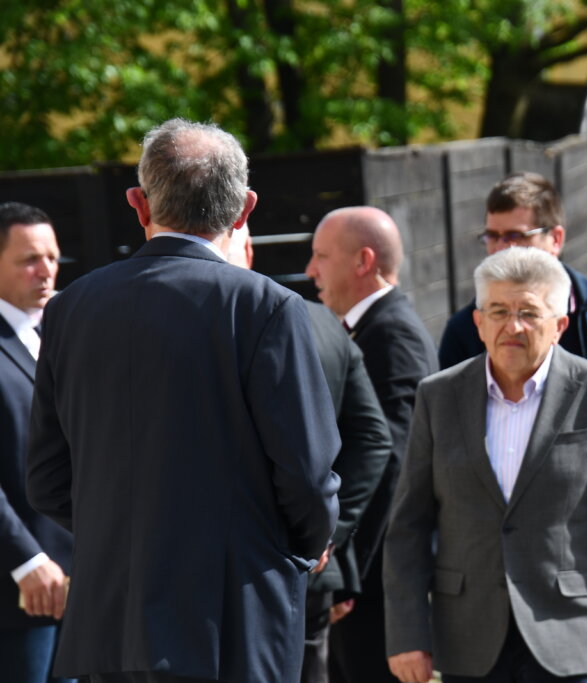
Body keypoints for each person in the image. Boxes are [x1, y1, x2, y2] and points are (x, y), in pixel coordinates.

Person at [26, 118, 342, 683]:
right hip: (229, 625)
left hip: (109, 627)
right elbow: (308, 478)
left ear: (138, 204)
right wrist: (299, 545)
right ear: (245, 209)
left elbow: (48, 479)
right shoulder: (265, 308)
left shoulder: (71, 308)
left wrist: (127, 532)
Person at [384, 247, 587, 683]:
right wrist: (407, 634)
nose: (513, 326)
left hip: (567, 632)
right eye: (499, 311)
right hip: (468, 636)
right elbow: (408, 525)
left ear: (559, 325)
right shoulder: (438, 397)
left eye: (529, 313)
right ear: (478, 323)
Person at [437, 174, 587, 681]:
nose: (501, 248)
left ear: (556, 239)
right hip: (497, 582)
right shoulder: (466, 329)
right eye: (492, 236)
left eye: (516, 236)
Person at [227, 225, 393, 683]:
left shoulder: (213, 324)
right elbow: (372, 438)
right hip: (310, 564)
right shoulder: (321, 320)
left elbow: (374, 438)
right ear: (249, 251)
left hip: (241, 570)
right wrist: (327, 534)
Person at [305, 206, 439, 683]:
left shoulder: (392, 335)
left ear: (363, 261)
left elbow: (393, 466)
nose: (310, 270)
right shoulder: (370, 328)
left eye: (321, 256)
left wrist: (346, 575)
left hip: (374, 580)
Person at [0, 202, 73, 683]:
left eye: (52, 257)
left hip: (87, 582)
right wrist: (25, 559)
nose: (46, 270)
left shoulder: (73, 332)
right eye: (29, 259)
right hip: (18, 590)